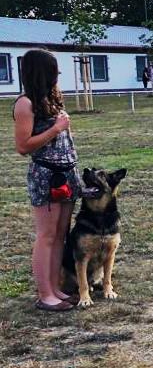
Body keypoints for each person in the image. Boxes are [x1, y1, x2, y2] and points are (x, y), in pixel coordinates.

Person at [12, 49, 82, 312]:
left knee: (60, 234)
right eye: (53, 70)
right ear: (41, 72)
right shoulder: (25, 103)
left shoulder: (51, 99)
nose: (58, 74)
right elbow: (23, 146)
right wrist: (55, 129)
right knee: (47, 235)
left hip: (66, 173)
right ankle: (45, 295)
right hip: (47, 176)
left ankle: (55, 289)